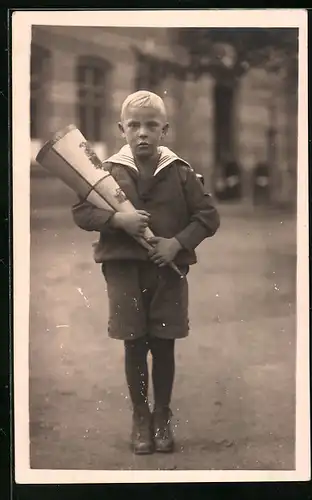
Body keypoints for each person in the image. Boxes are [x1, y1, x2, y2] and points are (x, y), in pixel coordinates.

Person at [72, 90, 220, 455]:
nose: (142, 133)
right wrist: (117, 220)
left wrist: (177, 244)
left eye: (151, 126)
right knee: (134, 344)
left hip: (167, 273)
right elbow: (81, 211)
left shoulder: (181, 172)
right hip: (123, 272)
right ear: (121, 129)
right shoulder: (105, 172)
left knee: (164, 345)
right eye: (134, 125)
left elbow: (207, 217)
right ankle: (141, 415)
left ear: (164, 130)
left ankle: (162, 415)